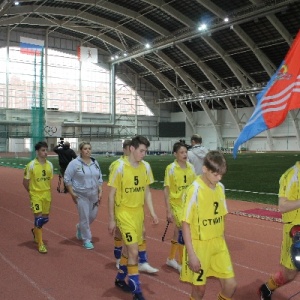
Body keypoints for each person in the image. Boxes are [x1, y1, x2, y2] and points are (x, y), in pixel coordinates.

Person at [108, 135, 159, 300]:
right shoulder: (119, 167)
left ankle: (120, 278)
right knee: (134, 252)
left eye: (145, 151)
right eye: (141, 151)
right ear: (132, 149)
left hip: (138, 213)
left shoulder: (146, 167)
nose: (144, 154)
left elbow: (147, 192)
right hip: (124, 213)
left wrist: (152, 213)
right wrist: (111, 219)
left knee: (128, 250)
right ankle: (137, 292)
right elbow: (111, 195)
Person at [181, 151, 236, 300]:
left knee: (230, 285)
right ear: (205, 169)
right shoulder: (194, 190)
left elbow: (222, 216)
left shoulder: (220, 188)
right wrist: (191, 254)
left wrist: (223, 239)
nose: (219, 178)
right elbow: (185, 223)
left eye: (221, 175)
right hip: (200, 246)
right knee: (199, 290)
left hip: (218, 244)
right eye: (216, 174)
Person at [258, 161, 300, 299]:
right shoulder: (291, 175)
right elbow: (282, 206)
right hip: (295, 231)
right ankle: (267, 288)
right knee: (290, 274)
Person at [163, 142, 196, 273]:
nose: (184, 155)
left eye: (185, 152)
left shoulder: (191, 168)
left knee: (177, 231)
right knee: (183, 230)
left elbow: (194, 187)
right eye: (181, 152)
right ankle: (182, 263)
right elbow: (166, 189)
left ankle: (171, 258)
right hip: (176, 205)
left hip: (188, 205)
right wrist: (168, 210)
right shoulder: (170, 168)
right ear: (175, 154)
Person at [64, 141, 103, 250]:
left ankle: (80, 227)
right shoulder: (74, 163)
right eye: (85, 149)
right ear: (81, 150)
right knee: (85, 217)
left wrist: (100, 190)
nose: (87, 151)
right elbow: (67, 178)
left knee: (93, 216)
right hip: (81, 195)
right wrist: (72, 193)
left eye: (89, 148)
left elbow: (99, 178)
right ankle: (87, 240)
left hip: (94, 194)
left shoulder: (95, 162)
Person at [23, 141, 54, 254]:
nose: (45, 152)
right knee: (39, 219)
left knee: (45, 219)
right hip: (36, 194)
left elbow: (49, 180)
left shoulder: (50, 165)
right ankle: (40, 244)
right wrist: (31, 193)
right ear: (37, 152)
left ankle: (35, 230)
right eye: (43, 150)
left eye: (46, 150)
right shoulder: (31, 165)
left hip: (47, 194)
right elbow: (25, 182)